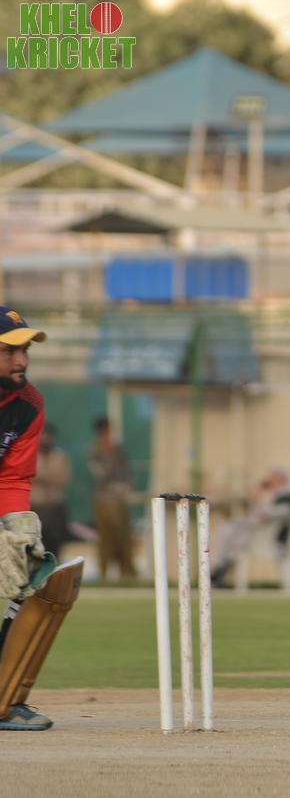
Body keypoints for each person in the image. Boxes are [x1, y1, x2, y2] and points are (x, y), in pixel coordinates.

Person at [0, 307, 85, 731]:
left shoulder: (28, 404)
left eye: (26, 350)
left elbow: (14, 477)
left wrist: (20, 531)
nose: (22, 360)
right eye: (9, 351)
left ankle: (4, 699)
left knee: (28, 586)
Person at [209, 466, 290, 588]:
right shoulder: (271, 495)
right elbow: (254, 515)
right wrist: (256, 497)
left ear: (280, 479)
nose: (268, 481)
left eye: (271, 478)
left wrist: (267, 513)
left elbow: (278, 513)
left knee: (233, 534)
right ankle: (220, 567)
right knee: (227, 528)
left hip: (271, 539)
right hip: (257, 534)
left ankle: (220, 568)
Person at [87, 415, 136, 581]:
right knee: (106, 538)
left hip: (119, 499)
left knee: (124, 537)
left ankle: (127, 572)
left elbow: (127, 473)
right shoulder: (94, 450)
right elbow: (101, 474)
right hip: (104, 499)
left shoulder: (118, 449)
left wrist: (125, 485)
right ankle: (103, 573)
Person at [30, 423, 73, 560]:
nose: (45, 438)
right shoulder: (30, 455)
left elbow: (64, 478)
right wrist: (48, 477)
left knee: (56, 542)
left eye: (48, 435)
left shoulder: (59, 456)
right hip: (36, 506)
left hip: (54, 505)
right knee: (36, 543)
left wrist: (42, 477)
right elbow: (29, 475)